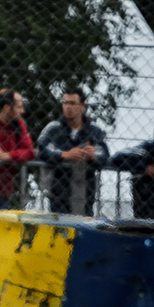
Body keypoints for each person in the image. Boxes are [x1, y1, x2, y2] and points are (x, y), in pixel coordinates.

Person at [35, 87, 109, 215]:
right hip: (58, 195)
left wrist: (93, 155)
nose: (68, 107)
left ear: (82, 105)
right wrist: (65, 155)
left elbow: (104, 154)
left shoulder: (94, 130)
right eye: (65, 103)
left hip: (85, 195)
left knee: (83, 232)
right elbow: (41, 150)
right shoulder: (53, 128)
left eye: (72, 103)